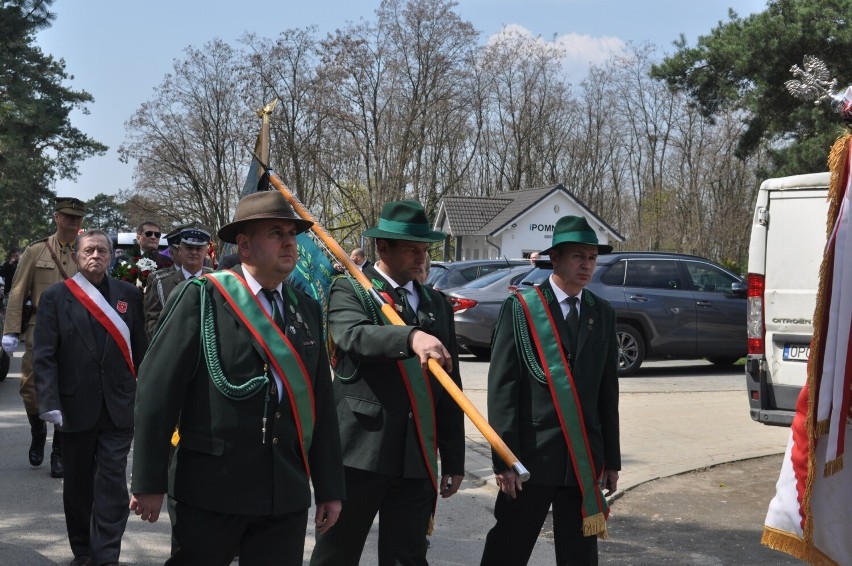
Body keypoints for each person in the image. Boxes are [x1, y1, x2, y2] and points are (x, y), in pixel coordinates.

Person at [129, 190, 345, 566]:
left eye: (292, 234)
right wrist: (148, 481)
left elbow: (320, 404)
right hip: (212, 489)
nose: (290, 242)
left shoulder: (305, 308)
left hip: (283, 490)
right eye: (276, 233)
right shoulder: (201, 298)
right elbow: (156, 390)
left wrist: (329, 487)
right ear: (244, 246)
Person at [310, 200, 465, 566]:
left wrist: (454, 458)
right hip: (362, 450)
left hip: (416, 455)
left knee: (407, 556)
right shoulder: (352, 289)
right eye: (412, 249)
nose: (421, 257)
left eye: (425, 250)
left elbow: (450, 385)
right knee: (337, 552)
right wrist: (410, 337)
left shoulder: (436, 303)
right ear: (383, 247)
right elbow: (353, 336)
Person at [479, 215, 620, 566]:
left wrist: (611, 460)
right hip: (530, 458)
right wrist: (505, 460)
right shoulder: (523, 307)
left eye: (592, 257)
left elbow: (607, 392)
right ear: (554, 259)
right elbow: (503, 392)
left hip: (582, 459)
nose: (587, 265)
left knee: (579, 556)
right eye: (578, 256)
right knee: (508, 548)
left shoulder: (600, 313)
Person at [33, 229, 147, 566]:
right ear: (77, 257)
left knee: (112, 483)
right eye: (89, 251)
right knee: (79, 485)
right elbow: (44, 355)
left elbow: (141, 349)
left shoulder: (128, 294)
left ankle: (105, 554)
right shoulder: (56, 297)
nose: (95, 256)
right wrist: (48, 401)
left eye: (102, 250)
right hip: (73, 406)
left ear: (111, 256)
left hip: (118, 407)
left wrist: (148, 395)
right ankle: (82, 549)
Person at [1, 196, 87, 478]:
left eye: (77, 218)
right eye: (68, 217)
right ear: (56, 218)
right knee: (30, 387)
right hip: (40, 328)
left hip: (75, 331)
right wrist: (11, 331)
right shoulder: (36, 250)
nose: (73, 223)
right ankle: (38, 432)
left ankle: (59, 450)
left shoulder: (87, 253)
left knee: (68, 389)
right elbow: (18, 291)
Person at [143, 227, 213, 339]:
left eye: (199, 249)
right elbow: (151, 321)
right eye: (189, 248)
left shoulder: (216, 280)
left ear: (206, 252)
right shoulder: (161, 282)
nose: (194, 252)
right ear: (180, 250)